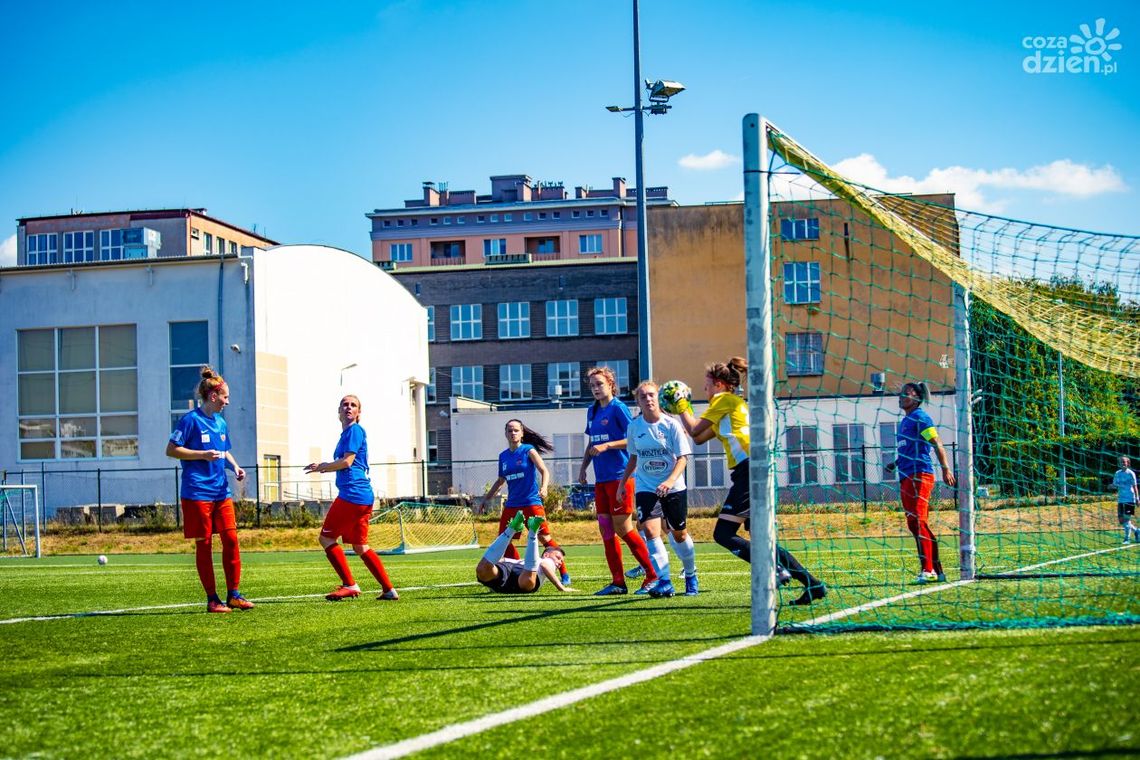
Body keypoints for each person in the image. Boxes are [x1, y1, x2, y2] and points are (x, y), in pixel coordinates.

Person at [675, 357, 827, 606]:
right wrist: (685, 412)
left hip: (749, 470)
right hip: (754, 469)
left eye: (706, 385)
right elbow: (700, 437)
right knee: (762, 540)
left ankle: (774, 570)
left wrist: (680, 403)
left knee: (723, 534)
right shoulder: (731, 404)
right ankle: (813, 584)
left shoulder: (723, 400)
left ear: (719, 384)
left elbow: (693, 430)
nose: (705, 390)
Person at [165, 366, 254, 613]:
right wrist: (201, 455)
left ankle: (234, 595)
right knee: (204, 544)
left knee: (231, 539)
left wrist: (235, 466)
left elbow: (223, 451)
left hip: (220, 491)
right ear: (213, 396)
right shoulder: (190, 420)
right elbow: (171, 450)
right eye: (225, 396)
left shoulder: (221, 423)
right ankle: (213, 599)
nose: (228, 401)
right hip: (196, 492)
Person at [305, 395, 398, 601]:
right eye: (345, 404)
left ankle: (350, 584)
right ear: (339, 411)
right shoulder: (347, 433)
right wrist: (324, 465)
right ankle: (389, 590)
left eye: (353, 405)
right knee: (360, 546)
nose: (348, 407)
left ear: (358, 413)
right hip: (362, 495)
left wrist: (323, 467)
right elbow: (346, 461)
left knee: (326, 538)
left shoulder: (354, 430)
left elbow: (347, 462)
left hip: (352, 494)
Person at [577, 367, 658, 595]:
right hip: (601, 480)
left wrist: (609, 445)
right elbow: (592, 443)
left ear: (611, 384)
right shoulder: (592, 411)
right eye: (592, 385)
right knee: (605, 530)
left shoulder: (618, 409)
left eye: (599, 384)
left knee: (623, 528)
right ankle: (618, 582)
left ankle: (653, 575)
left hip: (620, 477)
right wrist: (583, 467)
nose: (595, 389)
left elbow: (633, 439)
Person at [617, 380, 697, 598]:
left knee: (679, 535)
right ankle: (665, 581)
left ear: (659, 398)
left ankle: (690, 573)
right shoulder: (634, 427)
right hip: (646, 486)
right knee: (650, 531)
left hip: (673, 487)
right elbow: (633, 457)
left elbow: (683, 458)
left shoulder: (671, 425)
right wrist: (623, 484)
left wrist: (670, 481)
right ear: (638, 402)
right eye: (643, 396)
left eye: (652, 395)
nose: (648, 399)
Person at [479, 419, 569, 583]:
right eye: (510, 430)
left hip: (531, 503)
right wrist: (486, 499)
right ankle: (517, 569)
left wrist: (544, 487)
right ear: (505, 433)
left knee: (544, 539)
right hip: (512, 505)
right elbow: (500, 481)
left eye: (516, 430)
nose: (513, 433)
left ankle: (564, 573)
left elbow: (544, 470)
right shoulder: (503, 456)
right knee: (503, 541)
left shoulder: (528, 450)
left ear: (522, 433)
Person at [884, 381, 957, 583]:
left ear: (916, 397)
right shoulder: (904, 422)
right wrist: (896, 463)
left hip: (921, 475)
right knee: (914, 523)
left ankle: (928, 570)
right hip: (906, 476)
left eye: (906, 393)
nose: (901, 396)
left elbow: (936, 443)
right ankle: (938, 570)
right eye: (900, 393)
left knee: (918, 520)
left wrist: (946, 468)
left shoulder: (921, 418)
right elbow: (909, 449)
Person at [476, 512, 573, 593]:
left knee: (482, 570)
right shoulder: (547, 561)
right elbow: (544, 565)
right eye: (558, 557)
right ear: (546, 555)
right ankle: (532, 532)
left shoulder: (535, 562)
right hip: (523, 574)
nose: (560, 562)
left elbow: (500, 560)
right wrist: (561, 588)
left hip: (513, 569)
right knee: (528, 582)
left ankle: (511, 529)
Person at [1113, 455, 1139, 544]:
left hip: (1130, 499)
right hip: (1121, 499)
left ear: (1128, 463)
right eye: (1121, 462)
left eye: (1124, 462)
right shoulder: (1117, 473)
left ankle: (1127, 539)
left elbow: (1135, 486)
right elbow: (1115, 484)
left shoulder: (1131, 473)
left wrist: (1137, 498)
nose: (1123, 463)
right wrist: (1111, 486)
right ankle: (1136, 531)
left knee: (1127, 519)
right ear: (1119, 464)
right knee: (1121, 520)